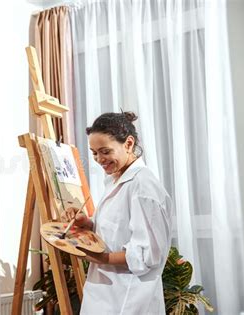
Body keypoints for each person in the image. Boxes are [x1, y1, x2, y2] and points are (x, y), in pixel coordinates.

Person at [62, 111, 173, 314]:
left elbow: (149, 255)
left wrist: (101, 258)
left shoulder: (143, 188)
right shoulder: (115, 181)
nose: (99, 159)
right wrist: (88, 224)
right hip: (105, 295)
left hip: (129, 299)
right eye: (94, 153)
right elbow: (119, 230)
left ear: (129, 144)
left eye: (105, 151)